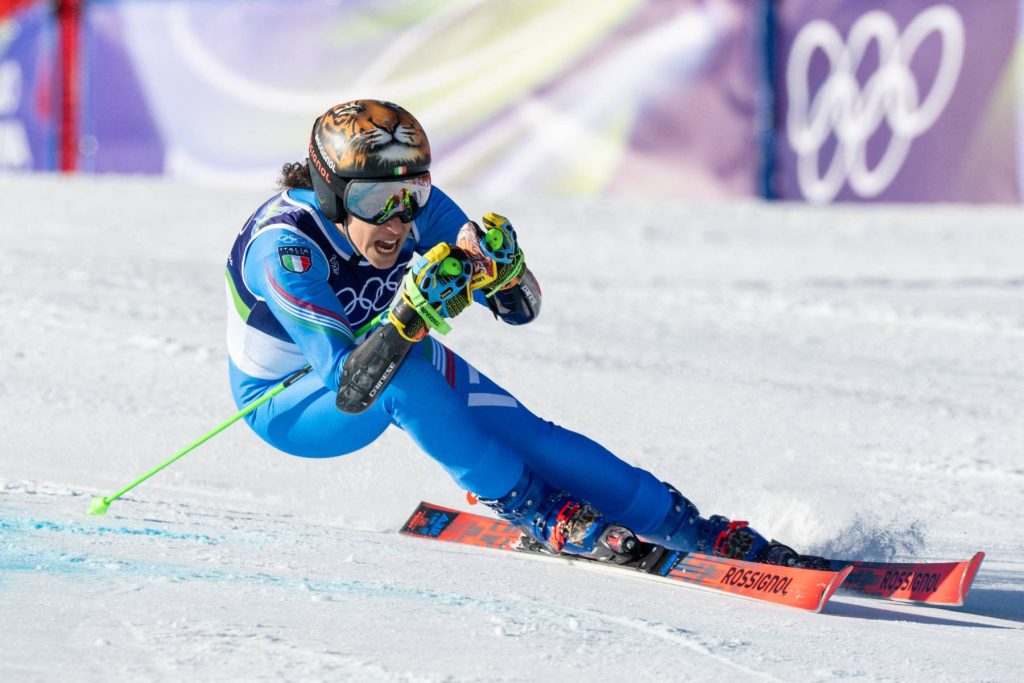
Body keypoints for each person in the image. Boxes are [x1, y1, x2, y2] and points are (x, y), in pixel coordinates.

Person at [225, 99, 824, 568]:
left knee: (523, 431)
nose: (400, 219)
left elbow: (518, 310)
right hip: (293, 403)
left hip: (387, 351)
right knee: (408, 372)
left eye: (414, 195)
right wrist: (407, 318)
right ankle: (534, 510)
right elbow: (350, 386)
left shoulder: (409, 207)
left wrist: (506, 273)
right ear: (332, 193)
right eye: (379, 199)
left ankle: (688, 526)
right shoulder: (286, 248)